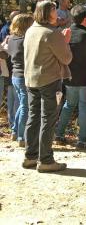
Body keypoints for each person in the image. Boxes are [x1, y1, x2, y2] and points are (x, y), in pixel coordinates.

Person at [22, 0, 72, 172]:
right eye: (54, 11)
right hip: (49, 81)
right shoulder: (52, 33)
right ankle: (46, 160)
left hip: (31, 79)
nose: (57, 14)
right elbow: (66, 58)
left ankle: (30, 157)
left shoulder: (30, 30)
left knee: (33, 117)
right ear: (46, 13)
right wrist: (65, 41)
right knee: (48, 119)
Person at [55, 5, 86, 149]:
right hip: (85, 76)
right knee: (84, 106)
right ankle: (82, 140)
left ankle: (59, 134)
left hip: (68, 76)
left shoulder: (65, 33)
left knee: (69, 105)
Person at [6, 14, 34, 147]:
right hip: (23, 76)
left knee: (23, 105)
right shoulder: (24, 40)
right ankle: (21, 136)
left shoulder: (11, 38)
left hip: (16, 76)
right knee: (26, 106)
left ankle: (15, 130)